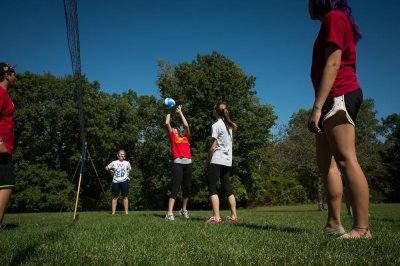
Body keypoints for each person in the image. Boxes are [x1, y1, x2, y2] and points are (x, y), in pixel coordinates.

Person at [307, 0, 371, 238]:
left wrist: (317, 107)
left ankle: (362, 229)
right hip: (329, 98)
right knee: (326, 163)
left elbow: (333, 63)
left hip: (340, 94)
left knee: (346, 160)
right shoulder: (331, 20)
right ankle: (334, 223)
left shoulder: (334, 17)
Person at [205, 103, 239, 223]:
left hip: (217, 159)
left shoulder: (216, 125)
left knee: (212, 187)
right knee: (227, 187)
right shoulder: (229, 126)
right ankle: (234, 216)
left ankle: (216, 217)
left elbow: (213, 146)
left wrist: (207, 160)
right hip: (227, 161)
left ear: (216, 111)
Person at [165, 105, 192, 221]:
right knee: (175, 187)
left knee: (187, 189)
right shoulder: (173, 137)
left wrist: (180, 112)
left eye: (178, 128)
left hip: (188, 163)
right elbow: (167, 123)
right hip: (177, 163)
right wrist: (169, 111)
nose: (177, 129)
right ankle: (169, 213)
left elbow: (186, 125)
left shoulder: (186, 137)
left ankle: (183, 210)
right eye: (175, 128)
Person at [0, 63, 17, 228]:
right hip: (1, 148)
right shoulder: (0, 93)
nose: (15, 77)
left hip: (6, 147)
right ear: (6, 75)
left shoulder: (6, 95)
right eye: (13, 74)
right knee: (6, 183)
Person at [105, 149, 131, 215]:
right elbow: (106, 167)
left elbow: (129, 170)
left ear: (125, 156)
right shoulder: (114, 162)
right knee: (115, 197)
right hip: (116, 181)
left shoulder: (127, 163)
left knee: (125, 197)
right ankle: (113, 213)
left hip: (124, 181)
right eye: (121, 154)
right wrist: (110, 170)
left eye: (123, 154)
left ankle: (126, 213)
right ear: (118, 155)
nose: (122, 155)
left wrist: (127, 174)